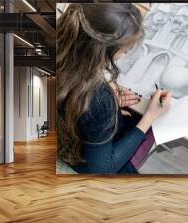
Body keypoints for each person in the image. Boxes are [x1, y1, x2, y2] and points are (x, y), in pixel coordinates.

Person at [56, 3, 171, 174]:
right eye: (124, 51)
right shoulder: (99, 98)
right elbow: (103, 170)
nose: (124, 55)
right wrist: (149, 117)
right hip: (79, 159)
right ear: (103, 50)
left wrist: (106, 109)